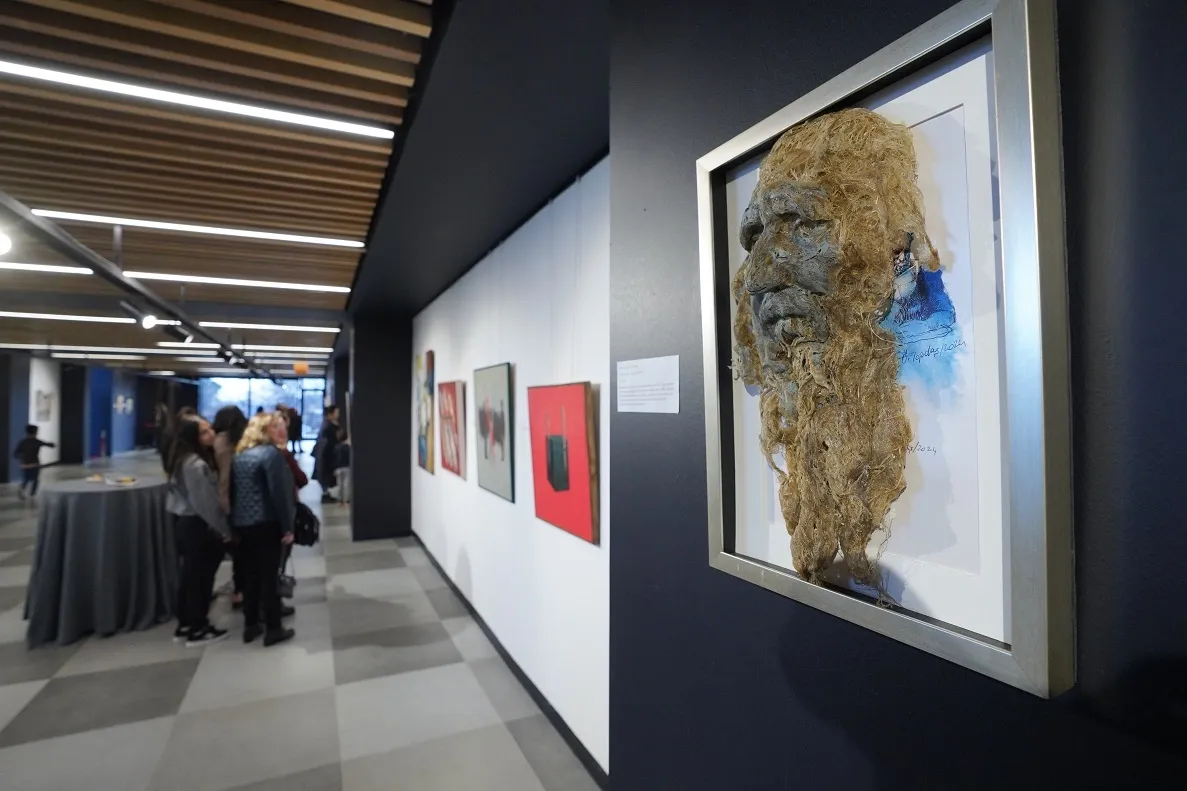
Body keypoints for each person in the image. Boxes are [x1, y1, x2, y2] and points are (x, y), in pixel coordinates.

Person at [164, 414, 231, 647]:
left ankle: (186, 623)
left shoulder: (181, 459)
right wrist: (224, 529)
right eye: (204, 432)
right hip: (198, 525)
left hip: (187, 523)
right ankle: (198, 627)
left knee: (190, 576)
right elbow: (206, 503)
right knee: (200, 579)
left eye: (210, 429)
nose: (211, 434)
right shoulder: (195, 465)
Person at [232, 413, 296, 647]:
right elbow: (279, 494)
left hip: (243, 523)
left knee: (250, 576)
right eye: (275, 427)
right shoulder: (271, 455)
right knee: (269, 577)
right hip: (266, 523)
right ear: (264, 431)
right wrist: (287, 527)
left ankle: (251, 625)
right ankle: (273, 628)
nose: (282, 430)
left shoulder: (241, 455)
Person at [212, 406, 248, 610]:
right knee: (241, 550)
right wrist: (225, 509)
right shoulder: (228, 444)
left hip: (230, 501)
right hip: (234, 502)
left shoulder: (218, 442)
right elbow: (224, 480)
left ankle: (239, 589)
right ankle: (240, 591)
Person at [12, 424, 54, 502]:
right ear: (35, 432)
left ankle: (23, 490)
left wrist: (21, 459)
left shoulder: (23, 442)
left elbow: (15, 453)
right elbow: (49, 445)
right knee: (35, 480)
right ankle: (32, 494)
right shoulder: (37, 442)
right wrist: (52, 444)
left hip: (25, 464)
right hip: (35, 464)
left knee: (26, 480)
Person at [315, 405, 341, 504]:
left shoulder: (326, 424)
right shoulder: (328, 426)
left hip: (323, 454)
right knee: (326, 474)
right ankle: (325, 495)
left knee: (325, 474)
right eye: (336, 412)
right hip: (326, 455)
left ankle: (326, 494)